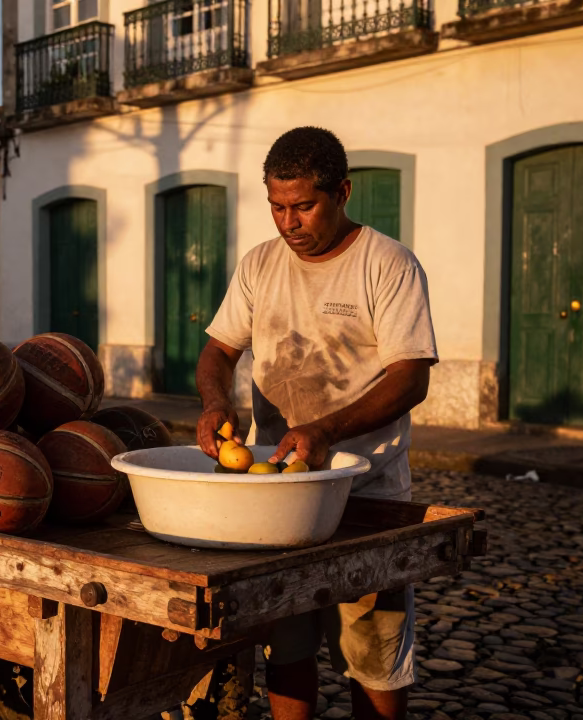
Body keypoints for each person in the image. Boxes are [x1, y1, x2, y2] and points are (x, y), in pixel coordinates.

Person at [196, 127, 438, 720]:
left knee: (371, 655)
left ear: (342, 192)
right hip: (276, 494)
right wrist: (213, 402)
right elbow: (219, 352)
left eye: (303, 206)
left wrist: (326, 430)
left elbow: (411, 377)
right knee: (287, 646)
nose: (288, 223)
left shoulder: (388, 264)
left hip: (366, 493)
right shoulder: (260, 264)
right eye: (277, 207)